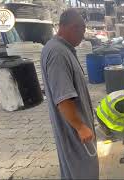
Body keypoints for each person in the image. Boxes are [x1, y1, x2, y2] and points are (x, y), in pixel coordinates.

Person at [41, 9, 99, 179]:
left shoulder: (60, 49)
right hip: (74, 133)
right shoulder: (58, 53)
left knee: (75, 171)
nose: (83, 36)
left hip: (75, 128)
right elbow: (63, 97)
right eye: (83, 31)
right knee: (82, 171)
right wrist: (80, 126)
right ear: (74, 28)